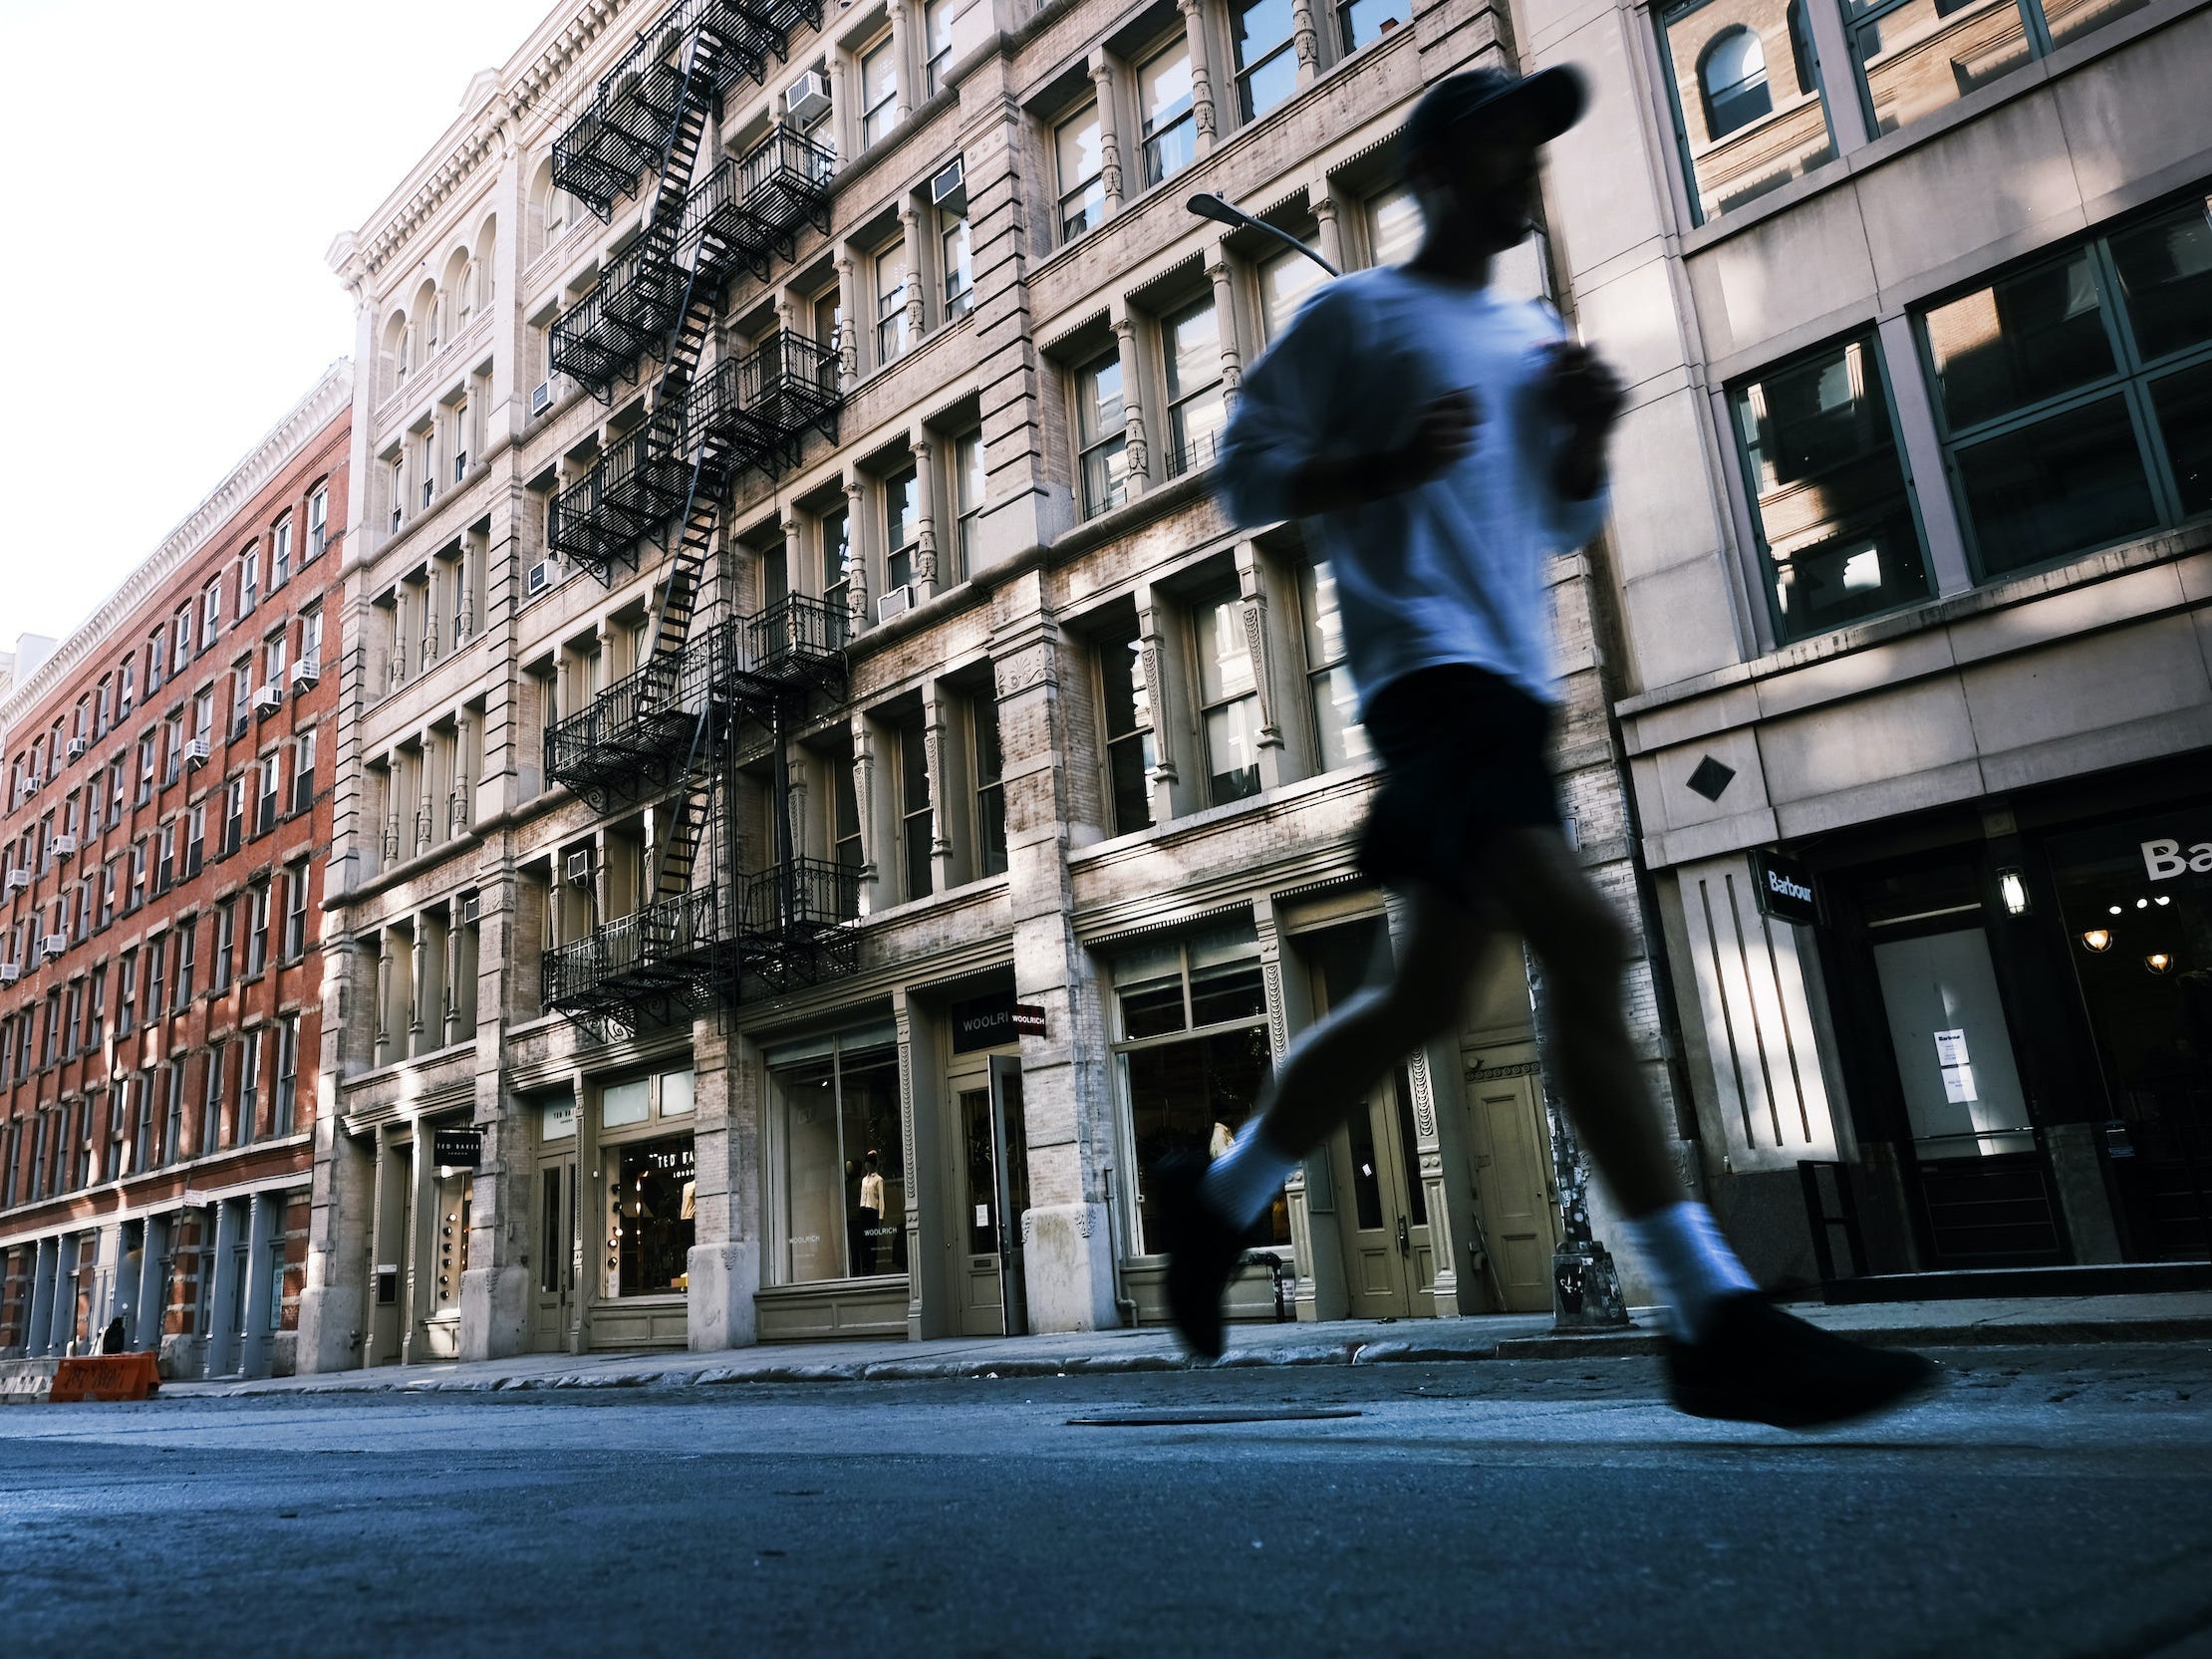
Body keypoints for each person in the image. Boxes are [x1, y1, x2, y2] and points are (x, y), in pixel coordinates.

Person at [1167, 64, 1938, 1429]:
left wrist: (1583, 442)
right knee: (1592, 943)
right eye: (1507, 148)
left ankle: (1219, 1204)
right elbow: (1243, 472)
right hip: (1428, 676)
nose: (1530, 171)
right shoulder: (1354, 314)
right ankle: (1712, 1315)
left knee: (1422, 1003)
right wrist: (1376, 470)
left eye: (1535, 150)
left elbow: (1563, 524)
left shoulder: (1537, 336)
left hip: (1515, 692)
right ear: (1442, 171)